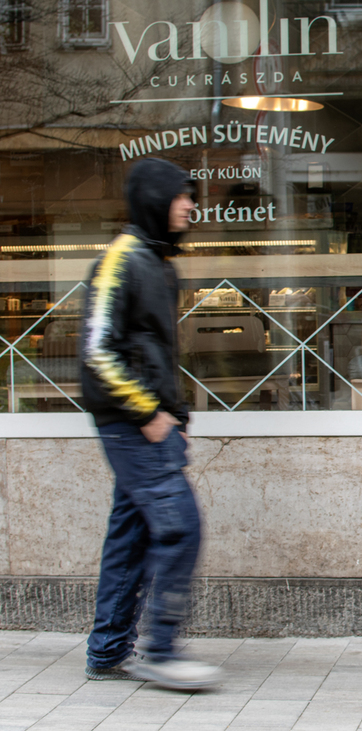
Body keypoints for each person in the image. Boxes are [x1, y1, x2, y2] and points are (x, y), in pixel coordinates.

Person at [81, 157, 222, 691]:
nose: (190, 205)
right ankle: (160, 651)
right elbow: (99, 352)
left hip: (149, 422)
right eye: (182, 195)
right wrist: (150, 415)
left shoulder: (159, 263)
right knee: (180, 527)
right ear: (156, 200)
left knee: (130, 536)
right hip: (131, 423)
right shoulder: (122, 258)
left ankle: (108, 652)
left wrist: (177, 415)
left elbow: (159, 353)